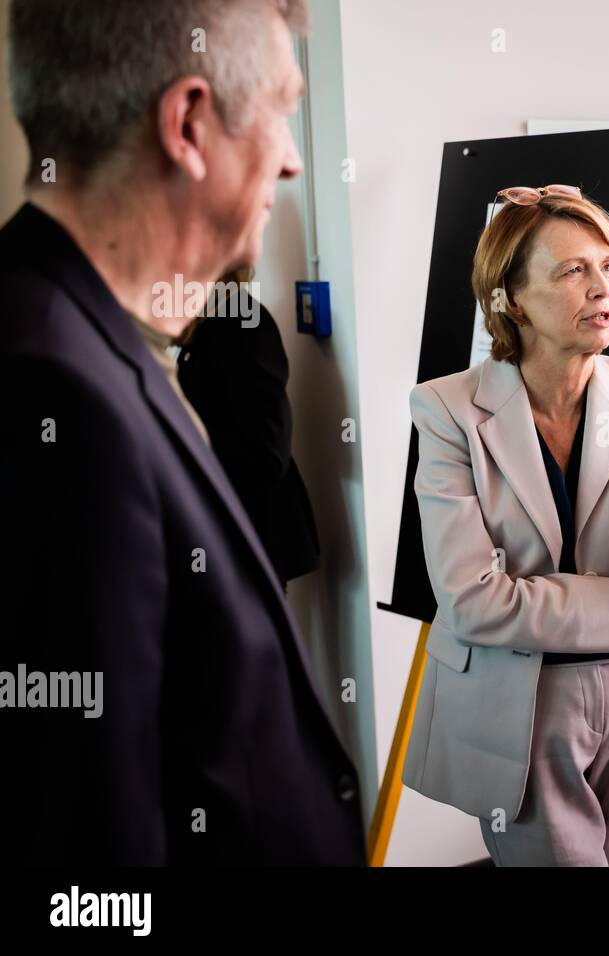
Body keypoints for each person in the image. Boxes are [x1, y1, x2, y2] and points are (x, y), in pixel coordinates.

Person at [0, 0, 364, 864]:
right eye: (280, 110)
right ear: (190, 123)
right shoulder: (57, 398)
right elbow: (84, 853)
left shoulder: (79, 336)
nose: (289, 159)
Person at [401, 184, 609, 866]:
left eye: (607, 267)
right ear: (511, 299)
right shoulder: (447, 410)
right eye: (572, 270)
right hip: (518, 706)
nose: (602, 288)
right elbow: (473, 601)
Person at [179, 272, 322, 589]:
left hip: (247, 536)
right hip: (222, 532)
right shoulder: (207, 321)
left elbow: (267, 452)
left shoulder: (244, 320)